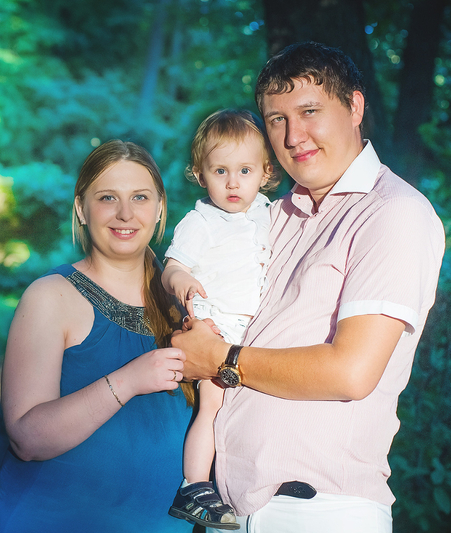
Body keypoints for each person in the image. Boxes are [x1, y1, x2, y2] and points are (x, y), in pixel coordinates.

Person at [172, 41, 445, 533]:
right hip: (228, 509)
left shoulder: (392, 212)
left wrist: (219, 358)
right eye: (276, 119)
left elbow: (350, 373)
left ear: (355, 107)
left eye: (309, 111)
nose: (293, 135)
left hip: (317, 512)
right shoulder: (269, 217)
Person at [0, 140, 194, 532]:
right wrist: (130, 380)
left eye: (140, 197)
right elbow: (27, 439)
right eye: (107, 198)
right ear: (80, 209)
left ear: (160, 208)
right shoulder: (50, 297)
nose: (125, 213)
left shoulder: (186, 300)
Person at [163, 109, 279, 531]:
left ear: (265, 173)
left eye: (245, 171)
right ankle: (193, 486)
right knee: (211, 406)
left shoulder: (268, 212)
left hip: (253, 335)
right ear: (200, 174)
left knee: (252, 409)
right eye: (220, 171)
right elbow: (172, 267)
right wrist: (181, 280)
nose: (233, 183)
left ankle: (250, 481)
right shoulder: (201, 222)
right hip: (216, 330)